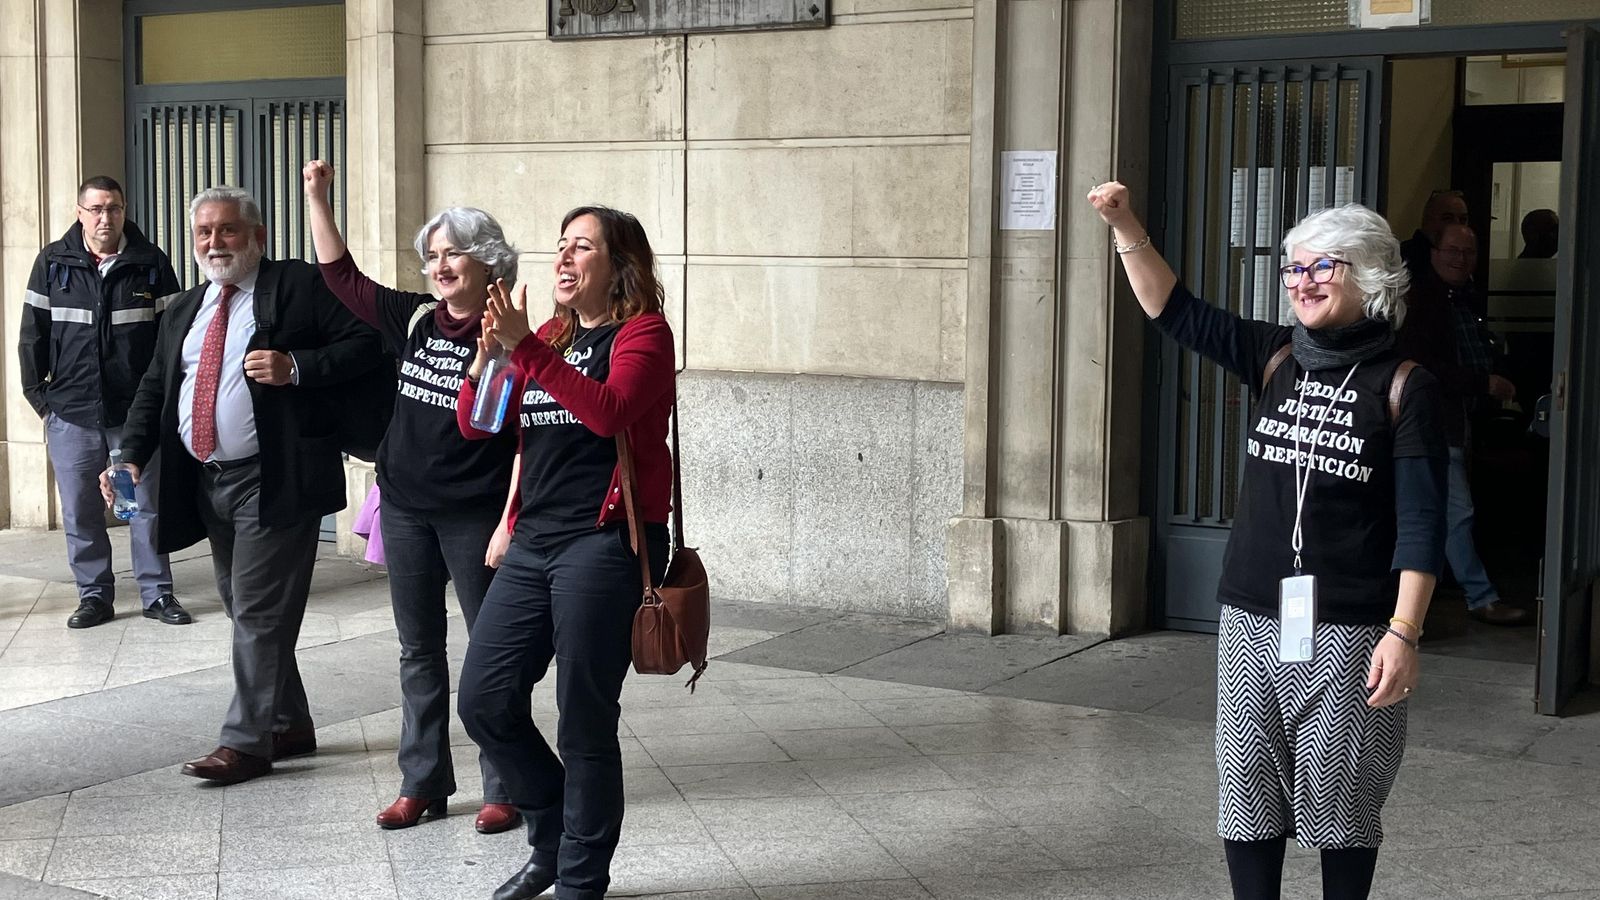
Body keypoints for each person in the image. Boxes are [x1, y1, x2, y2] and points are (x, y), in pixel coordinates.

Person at [1088, 182, 1446, 900]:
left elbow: (1421, 521)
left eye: (1322, 267)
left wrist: (1403, 633)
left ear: (1369, 274)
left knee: (1344, 801)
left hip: (1351, 626)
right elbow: (1174, 310)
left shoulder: (1405, 385)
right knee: (1247, 790)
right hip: (1252, 613)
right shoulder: (1276, 354)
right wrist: (1125, 224)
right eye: (1293, 268)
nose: (1301, 282)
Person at [104, 186, 383, 784]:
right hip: (207, 481)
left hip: (275, 476)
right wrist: (130, 456)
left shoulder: (298, 286)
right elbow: (155, 386)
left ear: (257, 236)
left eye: (228, 230)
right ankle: (288, 722)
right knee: (245, 606)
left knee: (256, 609)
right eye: (204, 232)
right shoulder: (185, 308)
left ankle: (246, 743)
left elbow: (366, 342)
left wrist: (297, 367)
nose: (215, 242)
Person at [455, 207, 675, 900]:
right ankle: (551, 837)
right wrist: (490, 356)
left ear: (618, 264)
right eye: (560, 246)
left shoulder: (642, 335)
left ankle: (581, 879)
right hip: (535, 541)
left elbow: (609, 412)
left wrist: (527, 349)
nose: (564, 257)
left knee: (584, 719)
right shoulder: (549, 337)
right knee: (484, 700)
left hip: (604, 542)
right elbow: (479, 424)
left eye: (582, 246)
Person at [301, 160, 523, 833]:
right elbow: (341, 277)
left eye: (453, 253)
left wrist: (509, 521)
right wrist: (317, 198)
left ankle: (508, 783)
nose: (440, 266)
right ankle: (422, 781)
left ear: (488, 262)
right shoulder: (417, 318)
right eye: (432, 256)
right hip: (404, 508)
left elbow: (519, 439)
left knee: (490, 651)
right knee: (417, 648)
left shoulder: (515, 340)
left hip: (474, 513)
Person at [19, 176, 187, 628]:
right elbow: (32, 335)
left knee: (143, 507)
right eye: (95, 209)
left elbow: (173, 339)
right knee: (81, 510)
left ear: (124, 209)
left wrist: (164, 403)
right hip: (71, 414)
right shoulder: (53, 263)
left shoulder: (150, 263)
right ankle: (94, 596)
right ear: (80, 213)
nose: (105, 217)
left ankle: (157, 594)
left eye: (112, 208)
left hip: (134, 415)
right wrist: (41, 400)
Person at [1399, 224, 1530, 627]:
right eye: (1452, 250)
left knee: (1440, 511)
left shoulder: (1461, 297)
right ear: (1434, 253)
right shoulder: (1422, 300)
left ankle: (1431, 597)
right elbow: (1424, 365)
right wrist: (1482, 383)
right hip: (1431, 422)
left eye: (1468, 252)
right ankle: (1480, 596)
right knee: (1455, 511)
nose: (1461, 259)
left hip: (1457, 419)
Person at [1399, 188, 1468, 277]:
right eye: (1448, 218)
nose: (1457, 225)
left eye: (1463, 219)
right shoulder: (1402, 259)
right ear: (1428, 220)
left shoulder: (1465, 257)